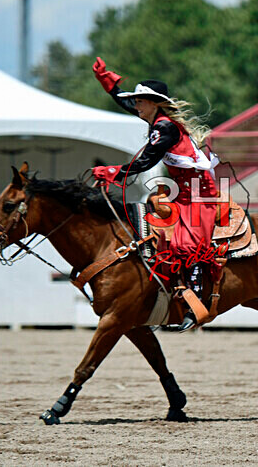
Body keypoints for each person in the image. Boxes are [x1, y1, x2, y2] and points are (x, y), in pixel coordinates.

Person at [91, 57, 219, 331]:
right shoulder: (158, 122)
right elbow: (127, 106)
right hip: (183, 191)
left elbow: (146, 160)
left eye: (140, 100)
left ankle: (195, 305)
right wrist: (109, 86)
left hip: (199, 193)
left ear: (154, 103)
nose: (135, 104)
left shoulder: (165, 128)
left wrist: (114, 172)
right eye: (135, 100)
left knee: (187, 243)